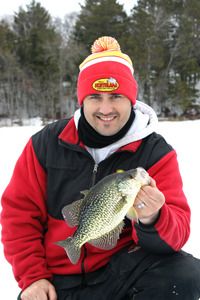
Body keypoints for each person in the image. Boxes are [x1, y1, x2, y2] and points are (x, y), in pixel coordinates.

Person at [1, 36, 200, 300]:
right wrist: (32, 278)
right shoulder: (46, 143)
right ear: (82, 100)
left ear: (131, 99)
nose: (106, 109)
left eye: (116, 96)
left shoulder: (156, 152)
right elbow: (18, 216)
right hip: (56, 277)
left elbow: (176, 236)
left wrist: (153, 218)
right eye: (95, 97)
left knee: (186, 275)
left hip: (124, 271)